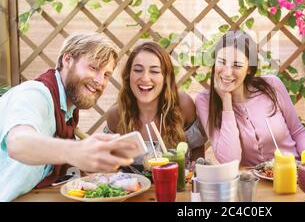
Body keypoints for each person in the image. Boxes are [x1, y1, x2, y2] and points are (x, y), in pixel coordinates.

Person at [0, 34, 137, 202]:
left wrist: (87, 162)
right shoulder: (35, 94)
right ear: (67, 60)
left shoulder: (68, 111)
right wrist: (76, 152)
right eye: (93, 68)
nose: (100, 81)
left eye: (107, 74)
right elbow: (18, 143)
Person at [195, 30, 305, 166]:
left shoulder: (272, 85)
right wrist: (226, 101)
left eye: (237, 65)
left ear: (249, 69)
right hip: (253, 183)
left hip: (294, 172)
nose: (227, 72)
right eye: (221, 62)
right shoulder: (205, 100)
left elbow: (298, 132)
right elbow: (230, 160)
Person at [104, 42, 207, 165]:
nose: (145, 78)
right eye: (138, 70)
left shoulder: (182, 104)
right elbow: (110, 162)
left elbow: (197, 147)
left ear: (165, 78)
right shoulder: (116, 115)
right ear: (128, 75)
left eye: (154, 71)